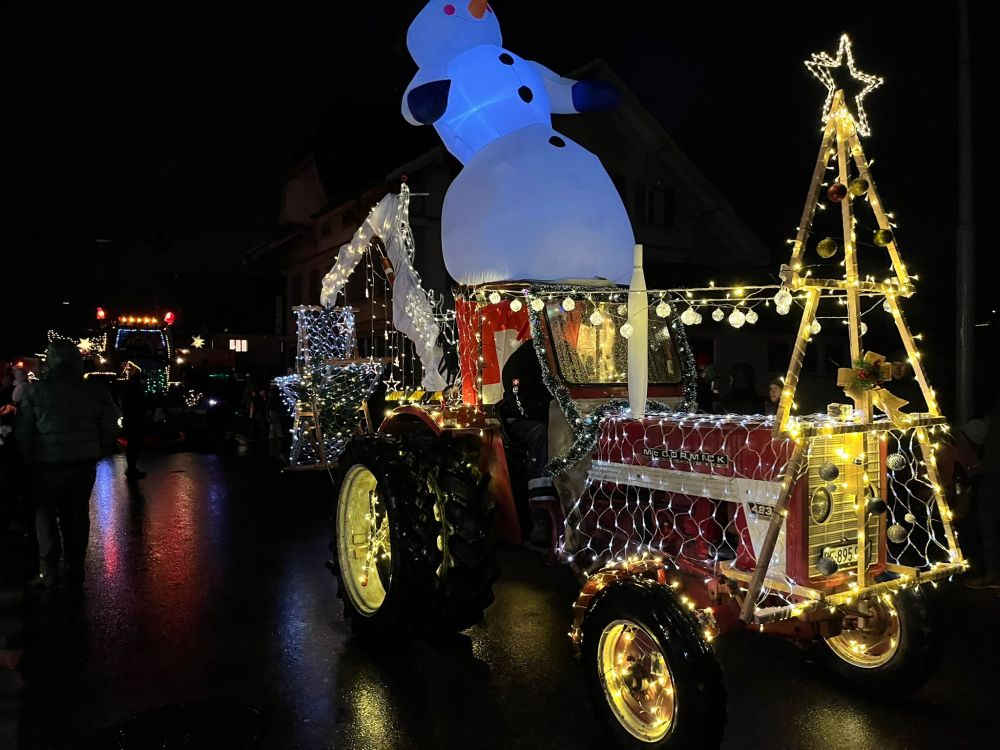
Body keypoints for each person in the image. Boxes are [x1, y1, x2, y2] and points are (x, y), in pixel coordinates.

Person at [16, 340, 118, 589]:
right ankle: (76, 566)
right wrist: (99, 450)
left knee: (45, 514)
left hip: (46, 464)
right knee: (77, 514)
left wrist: (29, 458)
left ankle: (49, 571)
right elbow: (109, 424)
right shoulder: (94, 390)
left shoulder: (35, 391)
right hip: (83, 462)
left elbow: (23, 432)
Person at [500, 341, 557, 549]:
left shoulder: (563, 352)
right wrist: (552, 415)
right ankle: (541, 516)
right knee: (541, 434)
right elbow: (520, 403)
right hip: (522, 419)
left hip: (556, 415)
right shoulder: (521, 362)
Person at [121, 370, 148, 480]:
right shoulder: (135, 391)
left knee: (133, 445)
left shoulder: (130, 390)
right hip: (134, 421)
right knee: (134, 445)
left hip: (132, 421)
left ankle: (132, 468)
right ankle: (132, 469)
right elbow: (137, 407)